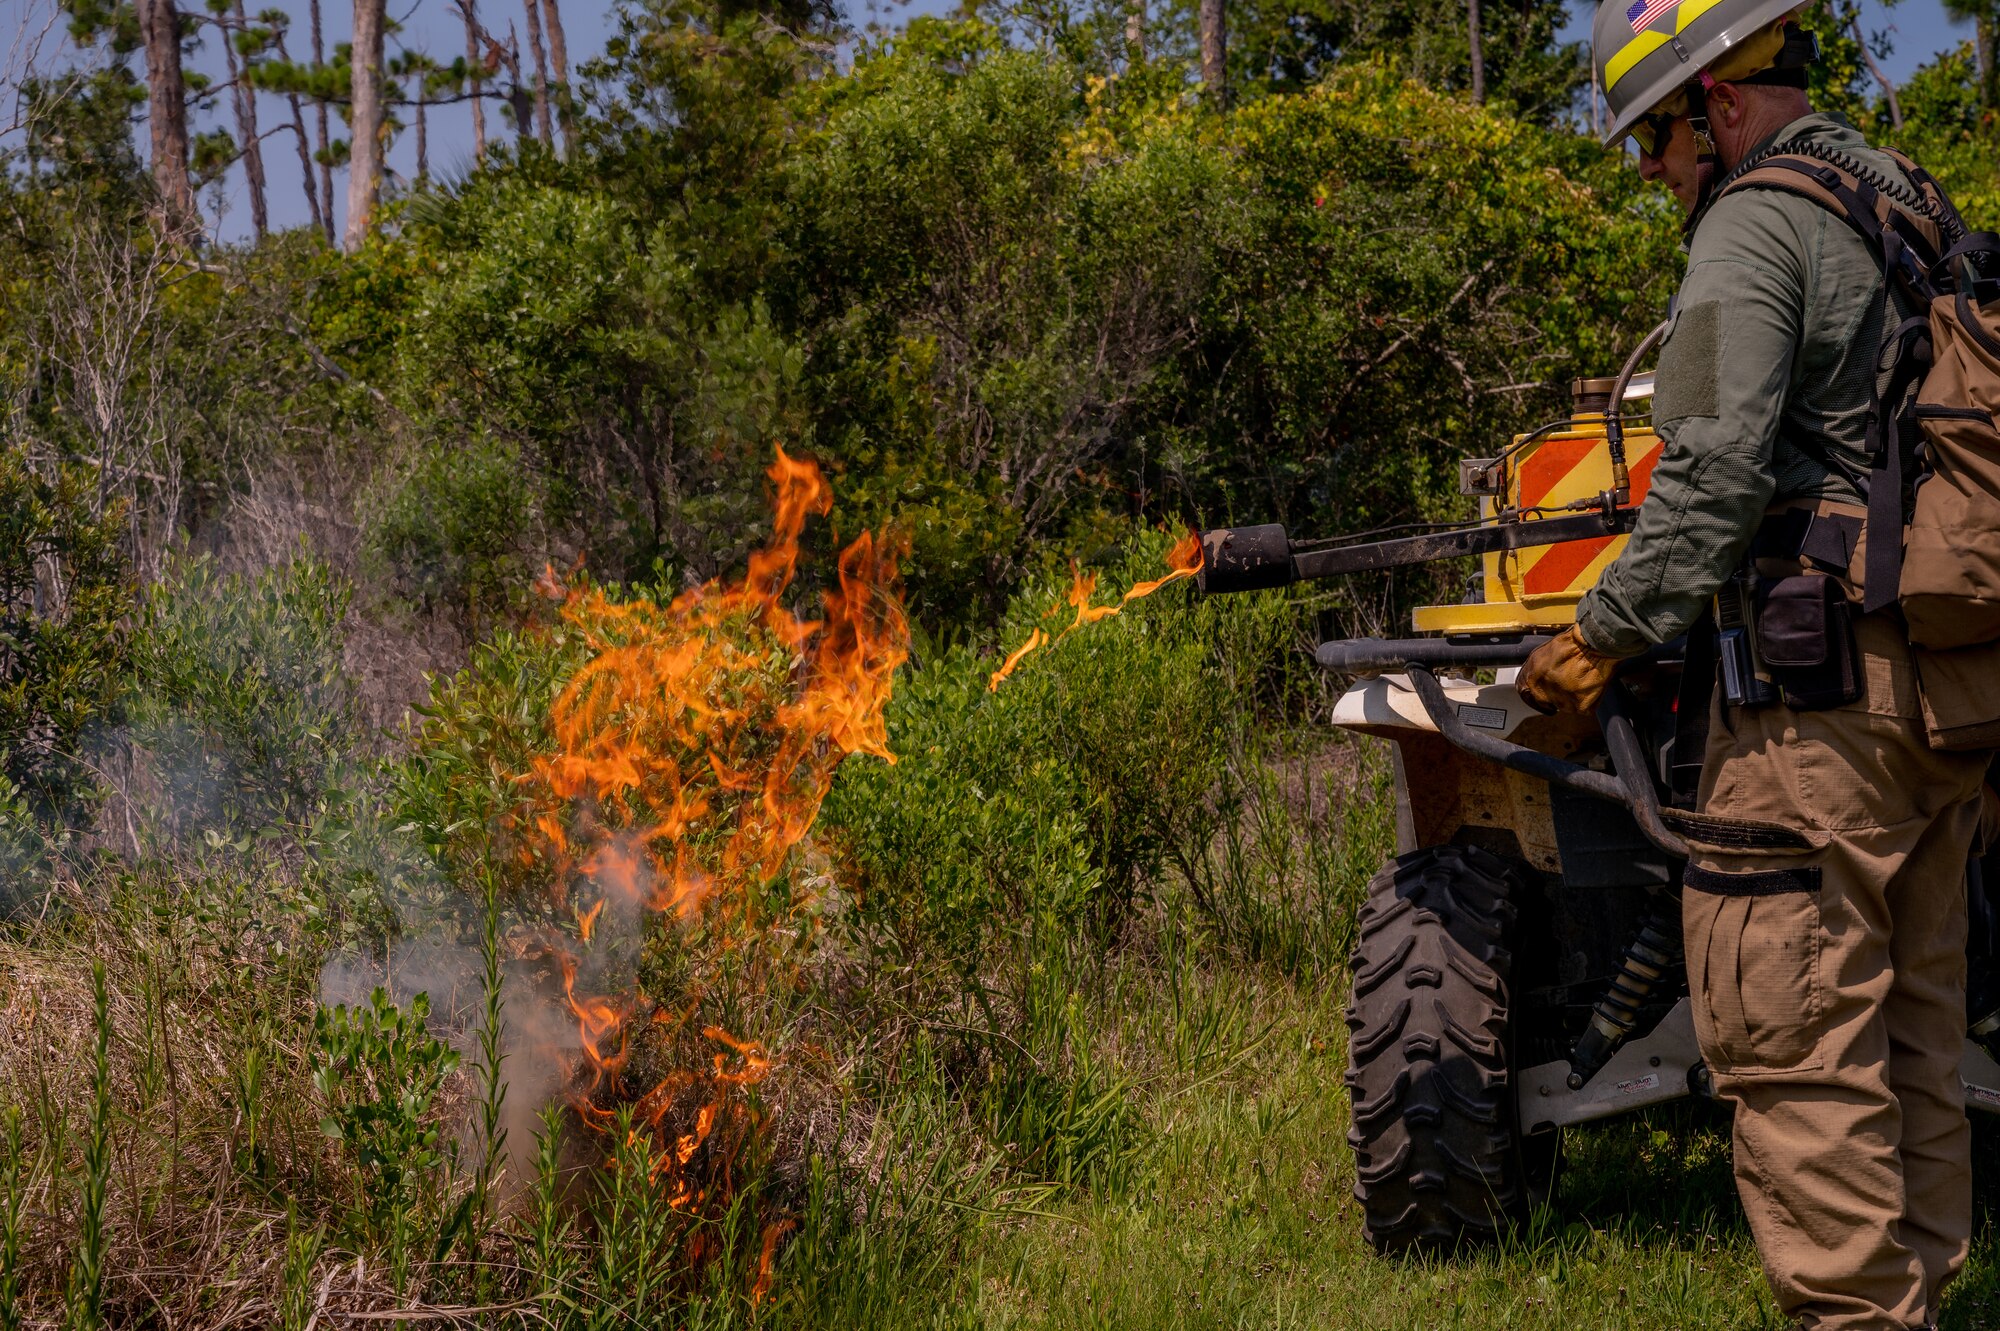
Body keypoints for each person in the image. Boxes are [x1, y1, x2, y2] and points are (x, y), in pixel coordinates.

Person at [1517, 5, 1993, 1328]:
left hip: (1812, 710)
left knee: (1794, 1044)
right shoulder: (1905, 201)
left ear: (1717, 104)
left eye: (1654, 141)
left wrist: (1595, 637)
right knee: (1911, 1038)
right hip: (1941, 693)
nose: (1653, 171)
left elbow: (1714, 478)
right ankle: (1916, 1304)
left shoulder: (1754, 220)